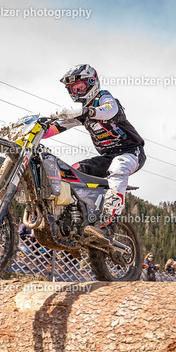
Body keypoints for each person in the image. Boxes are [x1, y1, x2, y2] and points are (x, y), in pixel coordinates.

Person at [46, 64, 146, 242]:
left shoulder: (103, 98)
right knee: (71, 172)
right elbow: (57, 127)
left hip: (131, 152)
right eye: (73, 89)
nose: (76, 92)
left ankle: (109, 223)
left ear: (92, 83)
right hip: (107, 157)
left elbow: (110, 111)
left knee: (118, 168)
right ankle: (77, 216)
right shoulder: (81, 112)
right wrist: (36, 130)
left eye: (80, 87)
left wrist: (89, 111)